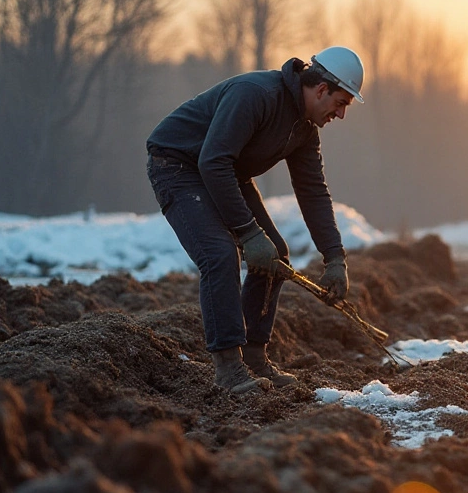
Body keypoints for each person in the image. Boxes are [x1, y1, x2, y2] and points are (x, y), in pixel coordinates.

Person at [145, 47, 365, 395]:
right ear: (321, 89)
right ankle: (229, 369)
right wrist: (248, 234)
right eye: (341, 103)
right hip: (179, 166)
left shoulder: (305, 130)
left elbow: (313, 191)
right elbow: (212, 161)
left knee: (273, 255)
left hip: (224, 171)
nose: (340, 114)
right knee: (219, 254)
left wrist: (335, 257)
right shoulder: (256, 95)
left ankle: (254, 356)